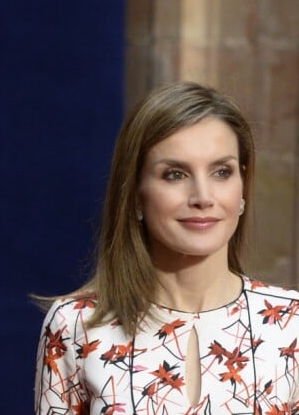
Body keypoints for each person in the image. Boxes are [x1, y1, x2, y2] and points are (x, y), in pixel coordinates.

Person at [35, 82, 299, 414]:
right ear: (135, 194)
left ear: (243, 187)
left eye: (222, 172)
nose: (203, 196)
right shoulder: (75, 326)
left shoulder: (292, 325)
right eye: (175, 174)